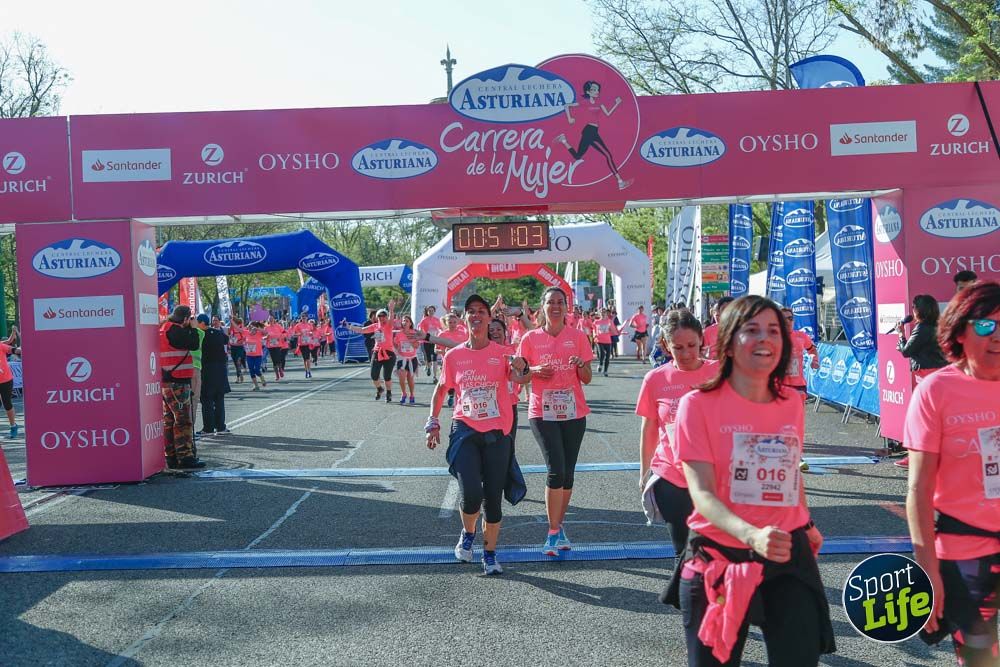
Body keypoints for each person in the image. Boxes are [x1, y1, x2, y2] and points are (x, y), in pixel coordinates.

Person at [669, 295, 833, 666]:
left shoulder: (790, 402)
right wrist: (751, 535)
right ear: (728, 342)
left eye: (774, 331)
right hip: (720, 553)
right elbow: (703, 494)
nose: (766, 339)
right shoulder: (697, 405)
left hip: (786, 550)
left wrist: (805, 522)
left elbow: (788, 470)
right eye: (752, 330)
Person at [904, 280, 1000, 666]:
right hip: (966, 554)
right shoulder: (936, 391)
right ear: (960, 331)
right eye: (985, 326)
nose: (997, 337)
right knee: (981, 658)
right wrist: (928, 571)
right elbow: (919, 488)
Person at [425, 294, 526, 575]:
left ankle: (490, 554)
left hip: (497, 431)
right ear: (466, 318)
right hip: (466, 429)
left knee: (492, 498)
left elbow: (520, 378)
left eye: (482, 311)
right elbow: (441, 389)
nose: (476, 315)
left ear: (488, 317)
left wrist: (522, 368)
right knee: (471, 494)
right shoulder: (455, 355)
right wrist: (433, 422)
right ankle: (468, 533)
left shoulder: (503, 353)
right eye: (471, 311)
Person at [517, 286, 594, 556]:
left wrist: (579, 365)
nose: (556, 306)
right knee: (555, 469)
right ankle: (551, 532)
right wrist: (533, 370)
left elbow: (587, 378)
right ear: (543, 307)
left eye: (561, 302)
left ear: (566, 307)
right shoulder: (530, 338)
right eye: (551, 302)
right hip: (542, 412)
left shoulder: (578, 337)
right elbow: (518, 376)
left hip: (573, 412)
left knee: (568, 472)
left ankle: (559, 525)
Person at [637, 310, 717, 557]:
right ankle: (683, 596)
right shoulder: (655, 379)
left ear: (702, 340)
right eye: (678, 347)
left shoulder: (722, 373)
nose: (686, 354)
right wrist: (644, 473)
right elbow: (649, 428)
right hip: (672, 476)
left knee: (714, 550)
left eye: (692, 345)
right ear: (665, 345)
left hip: (715, 476)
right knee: (683, 551)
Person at [895, 295, 950, 469]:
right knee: (933, 418)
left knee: (921, 418)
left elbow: (906, 351)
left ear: (919, 310)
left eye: (913, 307)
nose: (912, 311)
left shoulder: (922, 328)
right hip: (937, 374)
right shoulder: (939, 326)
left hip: (926, 376)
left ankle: (917, 458)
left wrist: (900, 335)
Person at [552, 80, 633, 190]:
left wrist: (616, 103)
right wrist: (569, 118)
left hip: (592, 131)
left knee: (577, 156)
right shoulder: (584, 102)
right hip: (589, 131)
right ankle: (620, 182)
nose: (596, 91)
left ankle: (564, 141)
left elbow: (608, 113)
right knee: (608, 155)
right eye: (593, 90)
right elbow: (567, 106)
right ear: (588, 92)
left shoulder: (599, 103)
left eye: (597, 90)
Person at [159, 306, 204, 469]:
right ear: (185, 319)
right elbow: (193, 344)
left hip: (167, 379)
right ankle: (185, 456)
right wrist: (193, 329)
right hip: (177, 380)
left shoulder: (164, 328)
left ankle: (171, 455)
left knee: (170, 420)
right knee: (183, 420)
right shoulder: (176, 330)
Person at [344, 301, 397, 403]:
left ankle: (388, 393)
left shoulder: (389, 325)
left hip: (389, 353)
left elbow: (391, 318)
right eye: (379, 316)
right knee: (374, 375)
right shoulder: (375, 326)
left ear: (386, 317)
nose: (381, 318)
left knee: (387, 376)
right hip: (377, 352)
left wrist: (391, 309)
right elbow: (362, 330)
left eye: (383, 316)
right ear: (377, 317)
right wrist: (348, 326)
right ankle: (379, 389)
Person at [197, 315, 231, 435]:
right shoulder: (217, 333)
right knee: (219, 398)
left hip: (207, 369)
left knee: (206, 400)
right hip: (221, 369)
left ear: (201, 323)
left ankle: (208, 428)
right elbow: (227, 340)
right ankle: (221, 427)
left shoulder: (199, 334)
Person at [780, 307, 820, 401]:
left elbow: (812, 350)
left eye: (790, 318)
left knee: (797, 415)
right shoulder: (772, 337)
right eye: (783, 319)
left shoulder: (801, 336)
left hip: (798, 385)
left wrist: (815, 360)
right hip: (779, 385)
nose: (787, 321)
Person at [0, 327, 21, 438]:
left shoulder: (1, 346)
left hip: (5, 380)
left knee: (7, 403)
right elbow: (8, 341)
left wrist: (19, 350)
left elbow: (12, 348)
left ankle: (13, 426)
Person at [394, 315, 419, 405]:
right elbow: (395, 343)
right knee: (402, 377)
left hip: (412, 358)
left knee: (410, 379)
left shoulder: (414, 333)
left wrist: (411, 340)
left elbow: (417, 346)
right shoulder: (399, 334)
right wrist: (397, 350)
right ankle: (404, 393)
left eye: (407, 321)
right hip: (402, 358)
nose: (405, 322)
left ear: (410, 323)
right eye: (404, 321)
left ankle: (412, 394)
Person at [418, 305, 443, 383]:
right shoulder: (424, 320)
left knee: (434, 359)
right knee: (428, 358)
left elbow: (440, 329)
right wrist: (422, 334)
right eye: (429, 311)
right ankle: (428, 368)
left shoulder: (437, 320)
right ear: (427, 312)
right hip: (426, 342)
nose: (431, 312)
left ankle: (434, 376)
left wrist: (440, 333)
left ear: (434, 311)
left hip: (434, 341)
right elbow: (420, 329)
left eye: (432, 311)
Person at [593, 307, 619, 377]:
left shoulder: (609, 321)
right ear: (599, 313)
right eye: (601, 312)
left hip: (607, 340)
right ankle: (600, 364)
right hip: (599, 340)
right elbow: (594, 330)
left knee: (607, 356)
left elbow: (613, 330)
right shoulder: (596, 321)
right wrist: (594, 334)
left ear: (606, 313)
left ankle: (605, 371)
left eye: (604, 312)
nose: (603, 313)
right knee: (602, 353)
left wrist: (616, 332)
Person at [243, 321, 267, 391]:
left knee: (256, 370)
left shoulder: (259, 333)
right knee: (251, 370)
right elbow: (238, 329)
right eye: (249, 325)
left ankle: (262, 378)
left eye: (251, 326)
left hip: (258, 355)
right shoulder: (246, 332)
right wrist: (231, 320)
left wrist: (257, 328)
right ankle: (256, 385)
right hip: (249, 355)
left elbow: (266, 332)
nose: (250, 327)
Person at [264, 316, 286, 382]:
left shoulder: (278, 326)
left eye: (272, 319)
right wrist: (265, 337)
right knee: (274, 361)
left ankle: (280, 370)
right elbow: (263, 336)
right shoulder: (266, 328)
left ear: (274, 320)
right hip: (270, 346)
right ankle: (277, 375)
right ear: (268, 321)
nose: (271, 320)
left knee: (278, 358)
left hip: (278, 345)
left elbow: (284, 332)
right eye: (269, 319)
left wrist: (281, 337)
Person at [226, 317, 247, 383]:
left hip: (239, 347)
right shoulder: (231, 328)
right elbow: (228, 334)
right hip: (233, 347)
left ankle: (238, 377)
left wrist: (241, 341)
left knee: (238, 362)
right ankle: (239, 375)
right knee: (236, 363)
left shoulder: (241, 327)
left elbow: (244, 336)